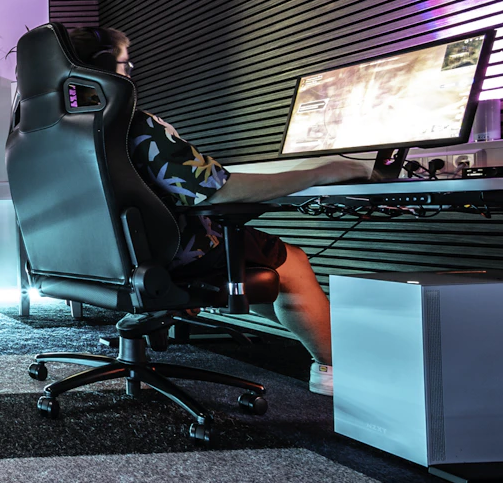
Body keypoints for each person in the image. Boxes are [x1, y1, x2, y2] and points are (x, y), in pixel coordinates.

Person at [62, 26, 380, 396]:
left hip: (93, 255)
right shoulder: (136, 126)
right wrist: (323, 172)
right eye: (124, 62)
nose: (131, 69)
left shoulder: (61, 131)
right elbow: (217, 190)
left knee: (260, 267)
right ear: (102, 70)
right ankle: (335, 371)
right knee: (291, 262)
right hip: (168, 253)